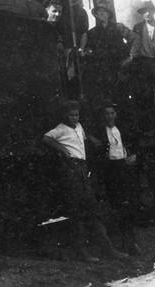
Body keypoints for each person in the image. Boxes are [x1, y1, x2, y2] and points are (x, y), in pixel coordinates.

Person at [41, 101, 128, 261]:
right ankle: (81, 252)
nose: (74, 118)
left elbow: (83, 139)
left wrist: (92, 140)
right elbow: (46, 138)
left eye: (76, 115)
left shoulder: (79, 126)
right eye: (71, 115)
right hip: (72, 170)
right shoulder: (61, 128)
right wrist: (63, 150)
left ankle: (107, 249)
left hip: (82, 168)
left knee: (93, 209)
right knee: (76, 211)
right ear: (65, 116)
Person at [88, 101, 144, 256]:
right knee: (116, 205)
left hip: (123, 168)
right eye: (106, 113)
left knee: (129, 204)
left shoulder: (123, 129)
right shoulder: (98, 132)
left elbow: (136, 141)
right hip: (109, 169)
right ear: (102, 116)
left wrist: (134, 155)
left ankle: (130, 243)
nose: (109, 116)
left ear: (116, 114)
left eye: (112, 113)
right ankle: (115, 244)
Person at [121, 0, 155, 138]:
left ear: (153, 12)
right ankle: (150, 128)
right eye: (144, 12)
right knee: (146, 97)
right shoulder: (138, 27)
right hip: (144, 66)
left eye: (149, 11)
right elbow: (133, 45)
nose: (146, 14)